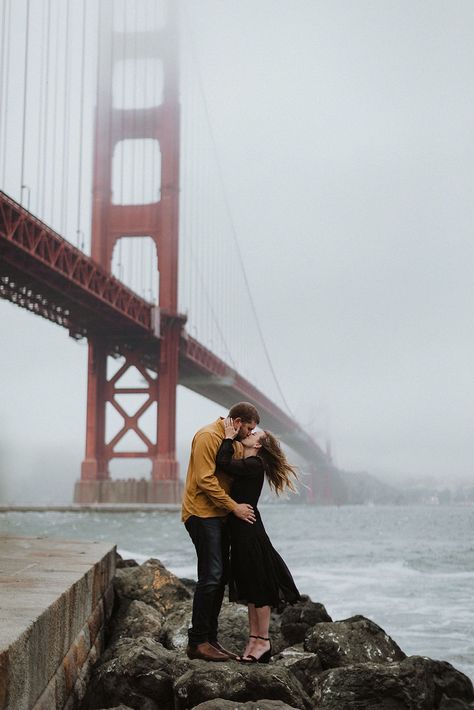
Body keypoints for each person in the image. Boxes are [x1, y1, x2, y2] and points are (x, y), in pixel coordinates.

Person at [215, 417, 301, 663]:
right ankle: (254, 640)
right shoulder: (250, 461)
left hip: (249, 530)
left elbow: (222, 462)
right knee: (251, 586)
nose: (250, 434)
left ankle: (263, 641)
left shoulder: (254, 463)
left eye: (254, 435)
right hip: (242, 528)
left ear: (259, 446)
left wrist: (228, 438)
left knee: (259, 585)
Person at [182, 402, 260, 662]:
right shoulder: (207, 436)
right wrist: (235, 508)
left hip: (219, 516)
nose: (250, 434)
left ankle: (210, 640)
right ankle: (197, 642)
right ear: (237, 422)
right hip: (201, 513)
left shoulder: (235, 442)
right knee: (211, 574)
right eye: (249, 428)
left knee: (221, 576)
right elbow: (205, 480)